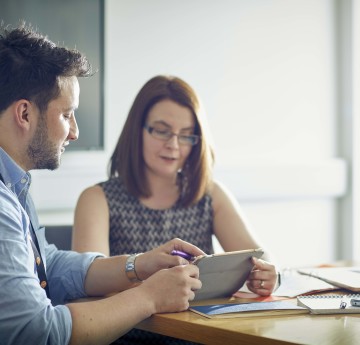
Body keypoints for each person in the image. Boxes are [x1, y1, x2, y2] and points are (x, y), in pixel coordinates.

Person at [0, 24, 205, 345]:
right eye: (67, 114)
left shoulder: (15, 184)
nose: (74, 132)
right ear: (24, 114)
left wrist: (138, 264)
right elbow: (37, 332)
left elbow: (48, 265)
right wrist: (149, 297)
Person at [72, 75, 280, 292]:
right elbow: (87, 283)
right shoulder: (97, 199)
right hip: (131, 324)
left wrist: (270, 275)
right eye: (162, 131)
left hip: (198, 323)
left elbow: (261, 257)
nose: (173, 145)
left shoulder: (210, 194)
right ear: (137, 130)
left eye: (186, 135)